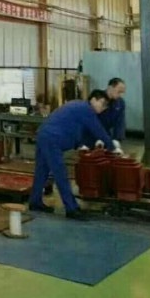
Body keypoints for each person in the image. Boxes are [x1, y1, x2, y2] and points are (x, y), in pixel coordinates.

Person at [29, 90, 121, 220]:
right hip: (52, 140)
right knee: (60, 174)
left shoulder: (79, 106)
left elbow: (76, 129)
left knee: (41, 172)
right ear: (93, 99)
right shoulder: (86, 110)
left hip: (44, 135)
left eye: (106, 106)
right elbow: (98, 130)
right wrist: (113, 148)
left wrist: (84, 144)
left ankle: (35, 202)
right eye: (102, 103)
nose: (103, 108)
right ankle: (71, 209)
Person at [81, 77, 126, 152]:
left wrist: (117, 139)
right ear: (110, 88)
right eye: (119, 92)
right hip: (89, 135)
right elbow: (88, 121)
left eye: (122, 92)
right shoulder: (98, 98)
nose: (120, 95)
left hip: (106, 135)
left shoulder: (120, 103)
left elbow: (120, 123)